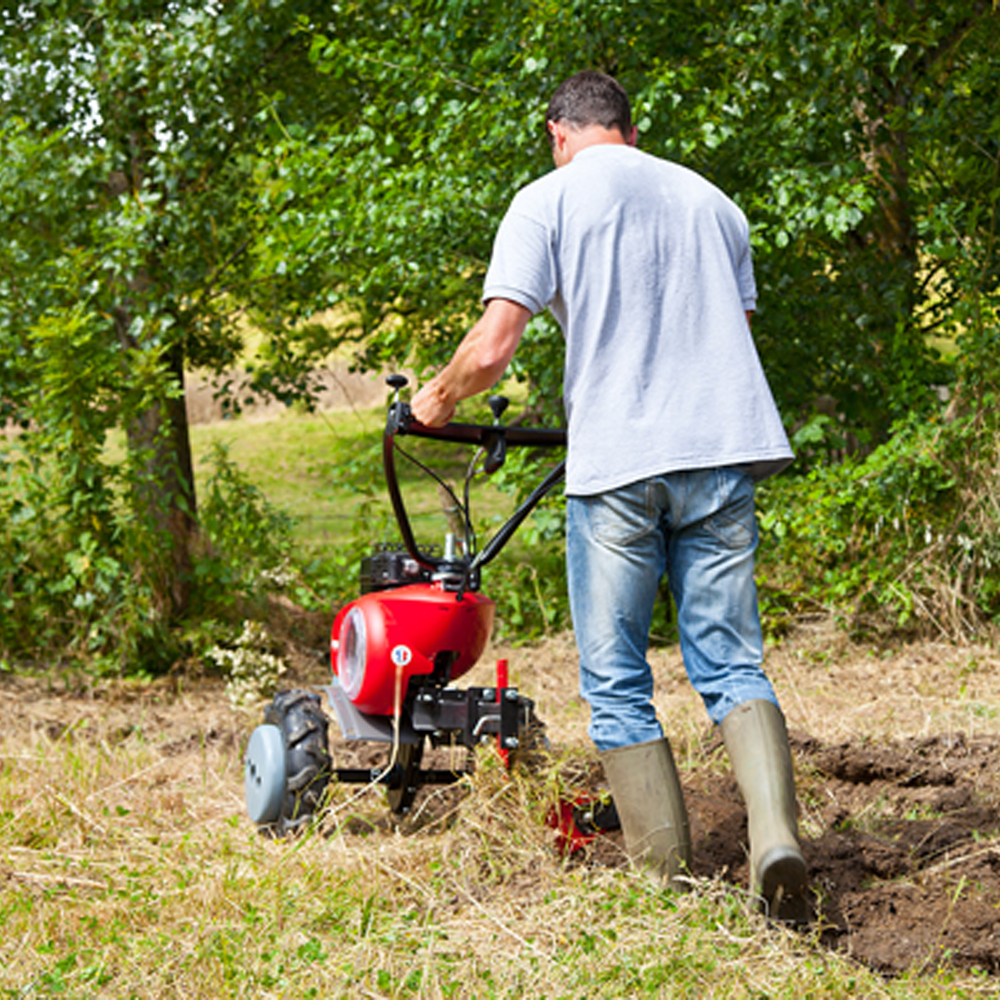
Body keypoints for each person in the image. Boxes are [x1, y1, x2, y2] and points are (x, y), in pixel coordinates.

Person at [411, 70, 807, 920]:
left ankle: (666, 883)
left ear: (558, 134)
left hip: (622, 465)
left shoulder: (546, 201)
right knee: (732, 662)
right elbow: (728, 335)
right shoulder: (713, 203)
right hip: (722, 455)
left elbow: (493, 347)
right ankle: (776, 839)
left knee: (618, 678)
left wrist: (433, 402)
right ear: (629, 129)